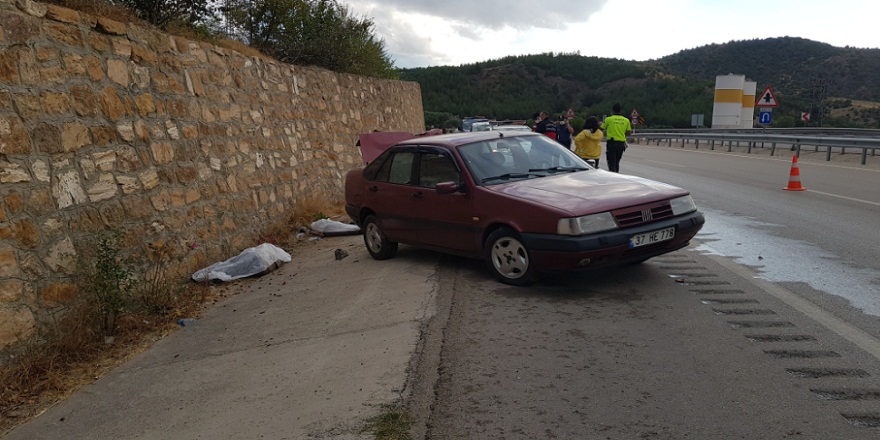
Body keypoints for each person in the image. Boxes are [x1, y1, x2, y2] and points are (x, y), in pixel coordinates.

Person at [600, 103, 632, 172]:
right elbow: (629, 133)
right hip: (621, 143)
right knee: (617, 162)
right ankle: (616, 174)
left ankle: (613, 177)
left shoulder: (608, 119)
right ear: (620, 110)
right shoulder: (626, 120)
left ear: (612, 110)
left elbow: (601, 129)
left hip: (612, 143)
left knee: (611, 162)